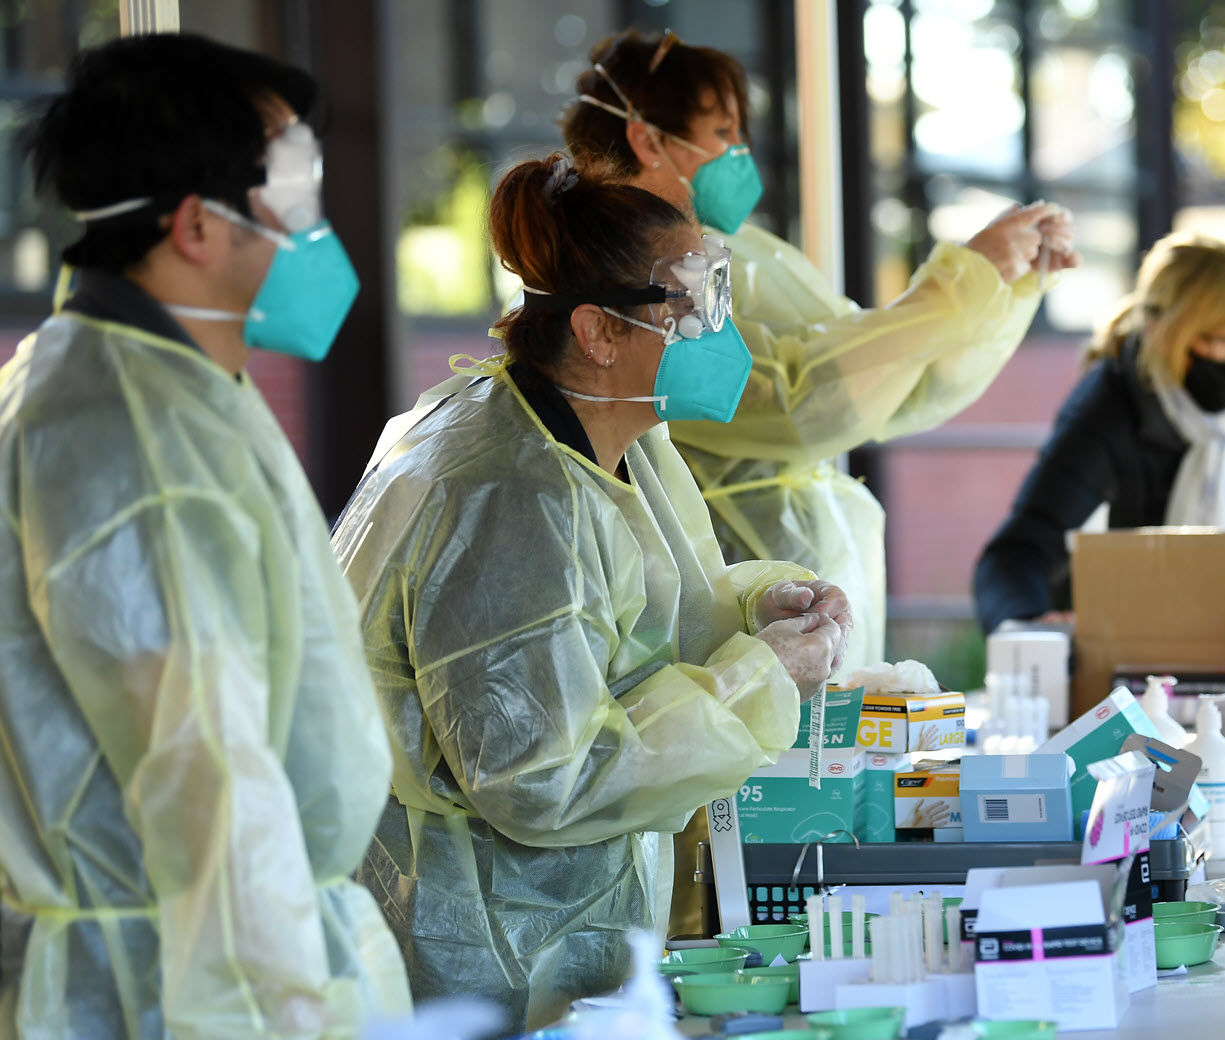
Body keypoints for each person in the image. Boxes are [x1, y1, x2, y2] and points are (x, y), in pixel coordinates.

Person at [332, 153, 849, 1032]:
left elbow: (625, 620)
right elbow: (543, 773)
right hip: (483, 946)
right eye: (690, 304)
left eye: (720, 294)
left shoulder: (605, 434)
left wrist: (752, 611)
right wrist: (758, 678)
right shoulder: (506, 490)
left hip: (559, 925)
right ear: (598, 332)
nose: (720, 330)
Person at [0, 33, 409, 1038]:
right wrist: (287, 1012)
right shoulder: (136, 439)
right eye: (294, 192)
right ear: (195, 226)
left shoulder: (157, 384)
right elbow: (210, 778)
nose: (315, 226)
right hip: (184, 987)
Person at [563, 28, 1079, 673]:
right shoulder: (659, 274)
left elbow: (890, 387)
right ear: (647, 137)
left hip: (799, 577)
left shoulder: (749, 254)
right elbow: (796, 400)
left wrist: (996, 282)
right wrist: (962, 282)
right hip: (732, 578)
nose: (740, 153)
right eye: (723, 131)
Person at [973, 232, 1225, 634]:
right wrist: (1030, 629)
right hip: (1129, 638)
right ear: (1167, 333)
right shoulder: (1109, 407)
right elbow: (1017, 555)